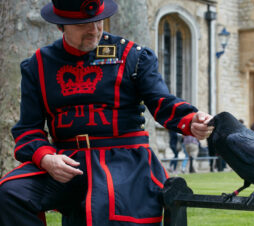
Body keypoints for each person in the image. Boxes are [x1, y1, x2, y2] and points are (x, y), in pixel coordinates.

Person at [0, 1, 214, 225]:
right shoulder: (38, 65)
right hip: (67, 164)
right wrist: (45, 158)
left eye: (98, 21)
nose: (94, 30)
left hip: (124, 161)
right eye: (84, 24)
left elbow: (161, 101)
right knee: (11, 193)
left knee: (107, 207)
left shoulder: (133, 56)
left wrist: (191, 120)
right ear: (60, 26)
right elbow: (28, 130)